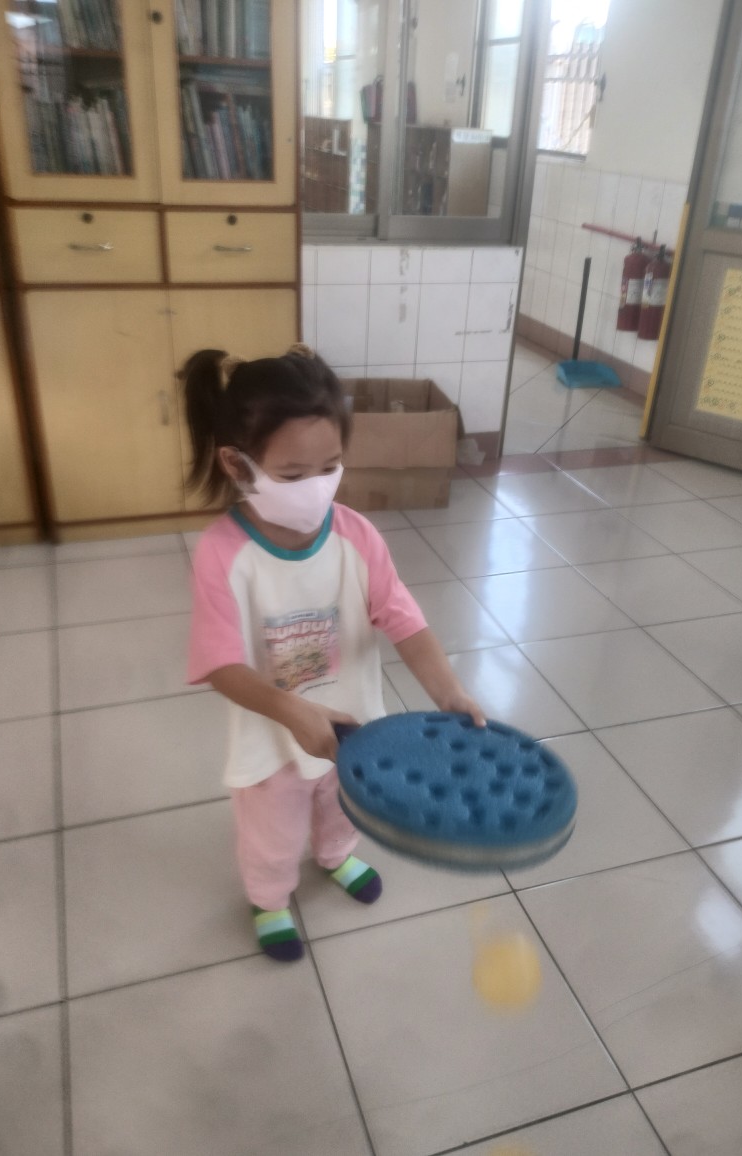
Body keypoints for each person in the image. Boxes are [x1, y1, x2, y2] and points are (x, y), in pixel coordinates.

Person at [182, 344, 485, 963]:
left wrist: (448, 692)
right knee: (272, 830)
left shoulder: (357, 537)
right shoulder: (223, 554)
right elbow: (220, 664)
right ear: (238, 465)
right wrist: (291, 711)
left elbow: (404, 622)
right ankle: (269, 897)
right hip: (275, 735)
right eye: (293, 475)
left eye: (330, 467)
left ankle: (335, 856)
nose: (316, 488)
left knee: (343, 804)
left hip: (354, 726)